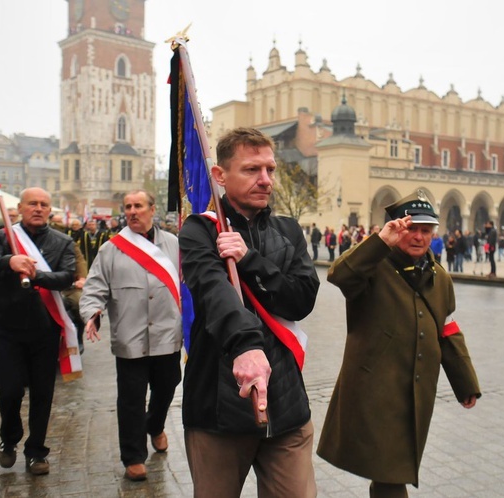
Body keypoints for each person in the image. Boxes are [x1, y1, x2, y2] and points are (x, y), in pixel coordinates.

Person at [178, 127, 320, 497]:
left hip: (287, 404)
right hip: (219, 406)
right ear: (220, 176)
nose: (265, 179)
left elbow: (301, 299)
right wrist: (246, 345)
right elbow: (215, 294)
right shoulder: (199, 231)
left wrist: (250, 260)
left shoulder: (287, 230)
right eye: (251, 169)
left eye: (270, 169)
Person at [317, 190, 480, 497]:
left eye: (426, 230)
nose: (418, 237)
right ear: (396, 228)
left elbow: (447, 328)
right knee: (391, 476)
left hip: (416, 392)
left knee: (391, 472)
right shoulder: (373, 267)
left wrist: (465, 382)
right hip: (376, 392)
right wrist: (379, 242)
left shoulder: (440, 277)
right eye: (411, 229)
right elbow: (339, 275)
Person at [80, 190, 182, 481]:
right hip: (130, 338)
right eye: (128, 207)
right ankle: (133, 457)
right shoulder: (111, 249)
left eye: (139, 206)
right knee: (131, 399)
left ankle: (156, 424)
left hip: (166, 336)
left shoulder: (174, 244)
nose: (133, 211)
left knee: (168, 386)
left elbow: (190, 283)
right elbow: (94, 288)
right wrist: (92, 313)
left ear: (152, 210)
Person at [0, 187, 77, 475]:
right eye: (32, 203)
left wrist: (39, 276)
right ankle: (9, 438)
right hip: (7, 328)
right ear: (20, 207)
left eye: (44, 204)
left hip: (44, 329)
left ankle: (36, 451)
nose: (38, 208)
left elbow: (67, 276)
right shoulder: (2, 236)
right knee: (9, 391)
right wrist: (9, 261)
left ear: (50, 210)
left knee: (43, 393)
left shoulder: (63, 241)